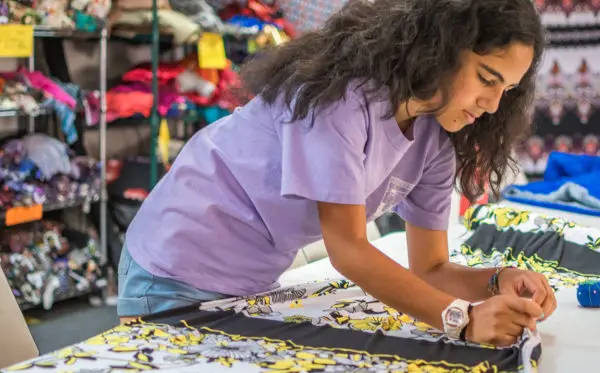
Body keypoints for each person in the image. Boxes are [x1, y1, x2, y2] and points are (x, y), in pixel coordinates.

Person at [119, 0, 558, 346]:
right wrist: (461, 319)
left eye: (508, 90)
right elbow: (348, 249)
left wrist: (496, 282)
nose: (493, 105)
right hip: (174, 265)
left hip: (247, 282)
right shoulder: (344, 98)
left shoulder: (436, 139)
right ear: (441, 47)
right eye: (487, 78)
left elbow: (432, 267)